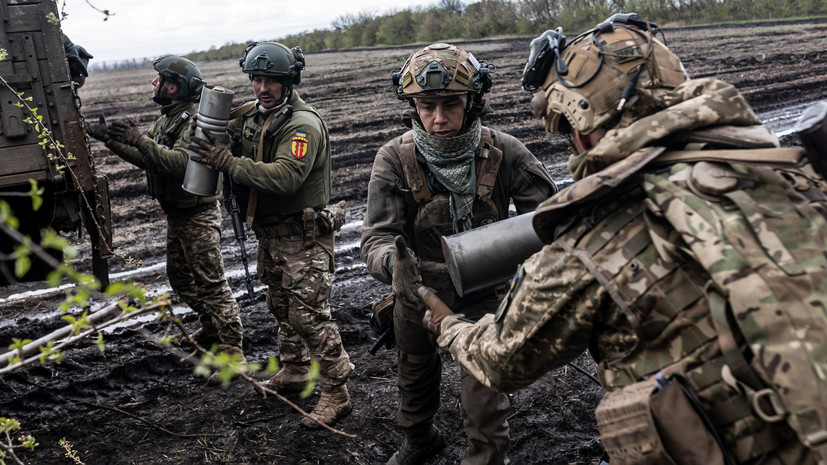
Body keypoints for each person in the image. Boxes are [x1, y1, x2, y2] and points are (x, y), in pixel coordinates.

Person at [423, 14, 827, 465]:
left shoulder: (595, 237)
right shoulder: (791, 171)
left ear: (581, 127)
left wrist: (452, 328)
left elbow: (502, 360)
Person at [361, 43, 557, 465]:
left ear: (473, 100)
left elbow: (550, 224)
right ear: (412, 105)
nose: (439, 118)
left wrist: (528, 279)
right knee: (413, 377)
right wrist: (394, 264)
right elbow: (375, 238)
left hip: (488, 296)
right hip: (417, 294)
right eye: (426, 106)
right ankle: (419, 441)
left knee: (485, 398)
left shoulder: (505, 152)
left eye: (450, 104)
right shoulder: (394, 159)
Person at [188, 41, 352, 429]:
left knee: (311, 317)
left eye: (272, 81)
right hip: (272, 235)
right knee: (281, 307)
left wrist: (230, 161)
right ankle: (295, 371)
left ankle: (337, 392)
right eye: (256, 79)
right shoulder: (254, 116)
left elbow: (286, 176)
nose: (262, 88)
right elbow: (211, 133)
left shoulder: (302, 124)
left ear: (289, 81)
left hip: (303, 235)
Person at [85, 56, 246, 380]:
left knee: (211, 283)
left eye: (159, 79)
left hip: (198, 215)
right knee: (181, 279)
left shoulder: (193, 121)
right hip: (178, 214)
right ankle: (211, 328)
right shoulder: (167, 119)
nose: (154, 84)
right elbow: (149, 159)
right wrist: (110, 139)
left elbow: (181, 163)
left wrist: (140, 140)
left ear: (174, 86)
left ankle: (233, 351)